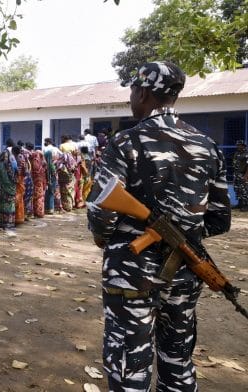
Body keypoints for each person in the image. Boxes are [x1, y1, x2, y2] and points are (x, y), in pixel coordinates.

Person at [87, 61, 231, 391]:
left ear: (144, 92)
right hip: (185, 272)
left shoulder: (125, 142)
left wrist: (108, 238)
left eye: (133, 91)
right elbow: (220, 219)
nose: (130, 99)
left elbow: (101, 213)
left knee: (128, 365)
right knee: (178, 361)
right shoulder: (207, 145)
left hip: (131, 273)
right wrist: (183, 234)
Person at [0, 151, 17, 228]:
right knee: (9, 204)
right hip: (7, 187)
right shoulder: (8, 164)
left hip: (1, 187)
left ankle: (1, 221)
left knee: (1, 203)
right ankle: (9, 222)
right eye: (5, 157)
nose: (6, 158)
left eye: (7, 157)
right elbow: (12, 177)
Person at [27, 142, 46, 218]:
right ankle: (39, 212)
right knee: (39, 196)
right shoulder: (41, 158)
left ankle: (34, 212)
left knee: (34, 196)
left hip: (33, 179)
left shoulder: (31, 157)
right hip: (40, 179)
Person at [233, 140, 248, 210]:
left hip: (243, 174)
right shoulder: (237, 153)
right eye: (237, 145)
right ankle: (240, 204)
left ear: (243, 145)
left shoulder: (246, 153)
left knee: (244, 190)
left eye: (239, 145)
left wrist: (246, 176)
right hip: (237, 174)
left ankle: (246, 205)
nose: (238, 146)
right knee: (238, 190)